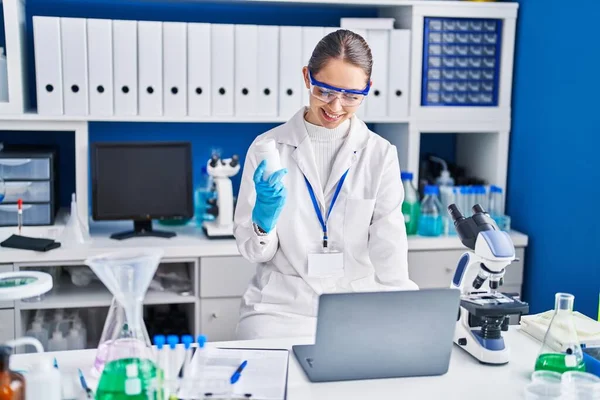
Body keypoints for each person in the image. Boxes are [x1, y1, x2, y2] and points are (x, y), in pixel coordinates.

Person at [233, 29, 419, 340]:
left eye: (351, 96)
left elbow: (390, 245)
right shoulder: (268, 148)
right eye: (325, 91)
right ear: (307, 77)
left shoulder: (380, 154)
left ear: (367, 89)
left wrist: (403, 309)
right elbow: (254, 252)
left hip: (355, 306)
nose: (336, 106)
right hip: (280, 309)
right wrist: (263, 223)